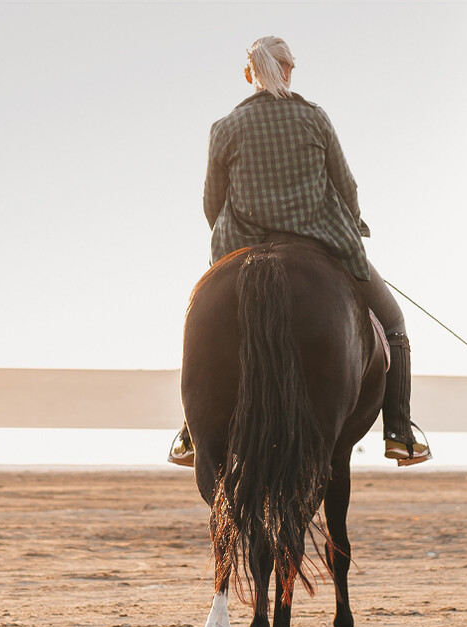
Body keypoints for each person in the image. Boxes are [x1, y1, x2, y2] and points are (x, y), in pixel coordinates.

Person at [170, 35, 430, 467]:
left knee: (200, 326)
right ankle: (400, 432)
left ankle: (191, 431)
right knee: (395, 324)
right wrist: (352, 227)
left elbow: (211, 205)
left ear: (250, 74)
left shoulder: (225, 128)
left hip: (243, 251)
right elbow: (347, 188)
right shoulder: (315, 119)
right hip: (321, 245)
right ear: (289, 70)